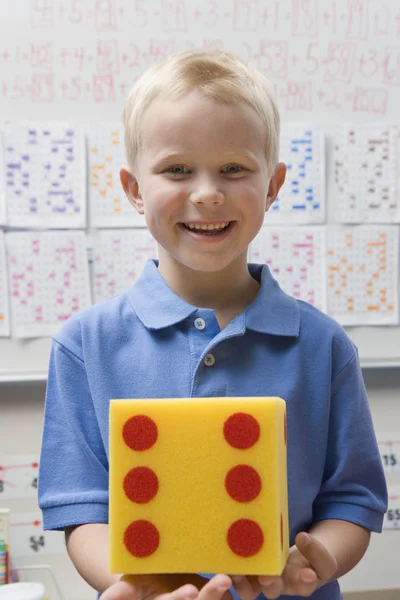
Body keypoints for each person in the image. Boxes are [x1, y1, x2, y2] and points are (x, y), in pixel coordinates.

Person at [38, 49, 387, 600]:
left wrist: (316, 559)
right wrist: (136, 583)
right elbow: (82, 510)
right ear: (133, 188)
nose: (206, 192)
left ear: (272, 186)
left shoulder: (324, 346)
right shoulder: (85, 344)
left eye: (234, 169)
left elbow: (354, 501)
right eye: (177, 169)